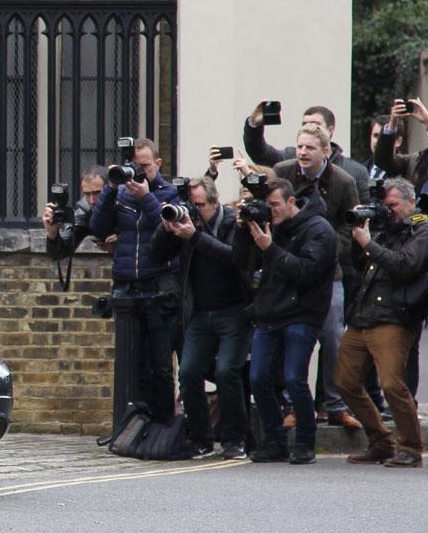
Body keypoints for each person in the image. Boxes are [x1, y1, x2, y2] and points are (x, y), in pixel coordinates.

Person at [336, 178, 428, 468]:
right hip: (363, 316)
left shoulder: (424, 230)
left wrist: (368, 243)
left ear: (410, 202)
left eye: (393, 205)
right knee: (344, 382)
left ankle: (411, 447)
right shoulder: (383, 230)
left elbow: (406, 266)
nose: (388, 211)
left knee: (392, 384)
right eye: (385, 205)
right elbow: (359, 265)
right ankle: (380, 442)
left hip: (395, 318)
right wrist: (360, 237)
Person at [234, 178, 338, 464]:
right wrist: (243, 231)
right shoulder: (270, 227)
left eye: (274, 205)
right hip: (270, 311)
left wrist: (270, 247)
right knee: (258, 378)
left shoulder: (319, 230)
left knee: (294, 378)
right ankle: (274, 441)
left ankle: (305, 441)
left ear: (291, 201)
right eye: (266, 206)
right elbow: (241, 261)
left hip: (303, 313)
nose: (270, 212)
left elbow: (305, 271)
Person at [151, 177, 252, 459]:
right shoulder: (185, 225)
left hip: (234, 311)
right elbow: (155, 255)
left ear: (214, 202)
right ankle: (201, 438)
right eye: (190, 206)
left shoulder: (234, 222)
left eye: (199, 206)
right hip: (200, 313)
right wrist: (166, 226)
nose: (193, 212)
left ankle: (235, 439)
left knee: (226, 372)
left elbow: (236, 259)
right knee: (189, 371)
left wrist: (195, 235)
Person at [272, 124, 362, 429]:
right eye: (299, 146)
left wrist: (322, 248)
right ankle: (294, 405)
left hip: (329, 271)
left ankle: (334, 404)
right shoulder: (282, 172)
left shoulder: (343, 181)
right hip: (289, 268)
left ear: (325, 151)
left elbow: (351, 226)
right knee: (291, 336)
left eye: (309, 147)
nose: (302, 153)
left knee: (333, 337)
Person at [90, 138, 181, 420]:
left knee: (161, 363)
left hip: (158, 287)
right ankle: (131, 423)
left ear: (158, 163)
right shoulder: (121, 194)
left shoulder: (170, 193)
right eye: (135, 167)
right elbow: (98, 226)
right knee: (131, 361)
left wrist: (147, 197)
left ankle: (163, 423)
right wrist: (110, 187)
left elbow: (169, 229)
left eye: (144, 166)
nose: (139, 173)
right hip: (127, 286)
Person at [244, 103, 370, 201]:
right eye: (304, 124)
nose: (308, 128)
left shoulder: (354, 172)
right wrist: (254, 124)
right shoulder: (289, 160)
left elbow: (357, 216)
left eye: (315, 124)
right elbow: (261, 154)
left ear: (330, 130)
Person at [43, 165, 111, 257]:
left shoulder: (124, 203)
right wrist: (52, 234)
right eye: (87, 194)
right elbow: (60, 253)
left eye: (97, 193)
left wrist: (118, 245)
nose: (92, 200)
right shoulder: (84, 211)